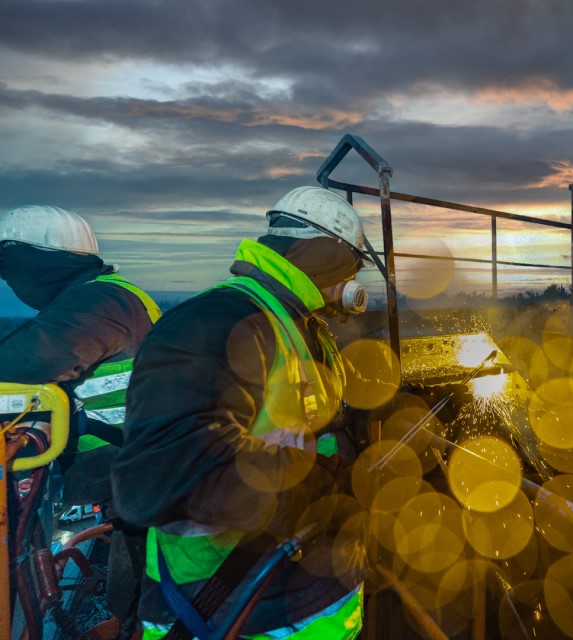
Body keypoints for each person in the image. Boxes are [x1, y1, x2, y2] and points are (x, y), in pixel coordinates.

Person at [111, 186, 373, 640]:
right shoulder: (215, 321)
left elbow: (305, 428)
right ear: (329, 259)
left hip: (300, 588)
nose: (347, 289)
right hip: (227, 604)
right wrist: (315, 484)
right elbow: (161, 478)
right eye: (347, 271)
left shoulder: (293, 321)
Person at [0, 204, 161, 633]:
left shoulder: (103, 300)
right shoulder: (99, 295)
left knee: (129, 600)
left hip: (125, 474)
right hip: (124, 475)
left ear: (40, 260)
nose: (10, 279)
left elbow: (29, 358)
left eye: (11, 264)